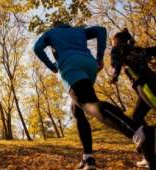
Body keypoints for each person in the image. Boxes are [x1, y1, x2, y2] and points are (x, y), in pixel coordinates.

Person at [33, 21, 156, 170]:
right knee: (76, 110)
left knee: (88, 103)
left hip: (71, 64)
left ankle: (138, 132)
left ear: (53, 26)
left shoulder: (50, 33)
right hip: (89, 64)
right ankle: (88, 158)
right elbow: (101, 30)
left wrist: (52, 66)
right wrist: (99, 56)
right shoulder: (78, 30)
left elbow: (37, 48)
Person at [108, 28, 156, 169]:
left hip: (144, 83)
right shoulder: (136, 49)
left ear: (116, 40)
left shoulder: (117, 49)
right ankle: (149, 154)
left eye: (112, 41)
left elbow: (116, 65)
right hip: (149, 81)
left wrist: (113, 78)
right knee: (137, 117)